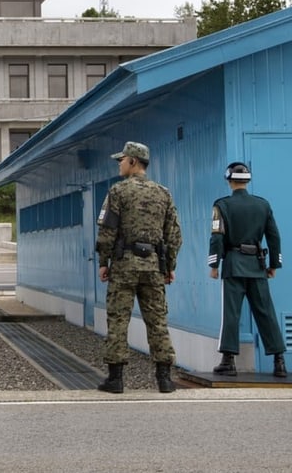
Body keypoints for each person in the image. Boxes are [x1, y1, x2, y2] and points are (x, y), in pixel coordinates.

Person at [96, 141, 182, 394]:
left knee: (118, 319)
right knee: (157, 321)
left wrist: (104, 262)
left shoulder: (118, 191)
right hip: (154, 265)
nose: (119, 164)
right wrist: (169, 265)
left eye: (121, 160)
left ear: (133, 161)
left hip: (124, 265)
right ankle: (165, 379)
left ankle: (116, 379)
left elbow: (107, 231)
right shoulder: (163, 192)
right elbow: (174, 234)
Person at [208, 162, 287, 377]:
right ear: (248, 180)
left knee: (231, 314)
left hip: (233, 264)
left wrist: (214, 264)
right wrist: (274, 265)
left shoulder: (221, 205)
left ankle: (228, 361)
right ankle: (279, 361)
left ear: (228, 180)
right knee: (266, 312)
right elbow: (274, 237)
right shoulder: (263, 205)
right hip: (257, 265)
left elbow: (217, 237)